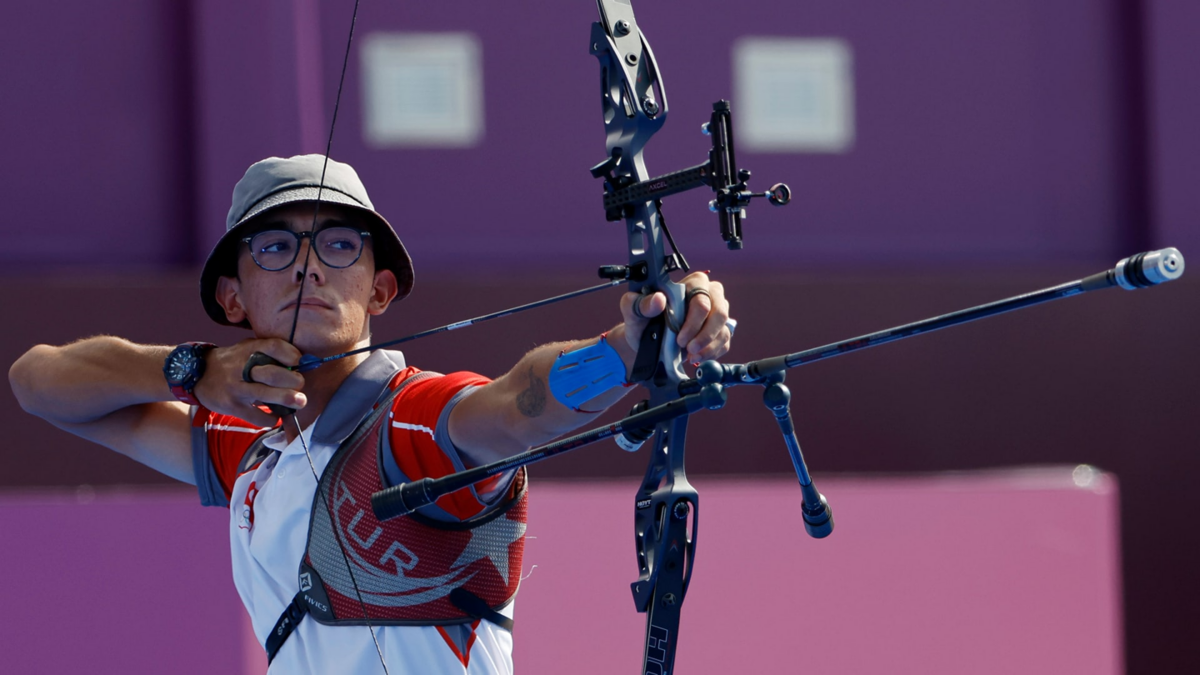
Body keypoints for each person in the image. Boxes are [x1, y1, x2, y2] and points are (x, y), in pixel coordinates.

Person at [8, 154, 732, 674]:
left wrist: (629, 348)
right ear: (233, 299)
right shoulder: (248, 444)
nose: (308, 265)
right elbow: (38, 383)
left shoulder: (413, 422)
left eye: (338, 244)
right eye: (275, 246)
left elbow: (516, 407)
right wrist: (193, 370)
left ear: (380, 289)